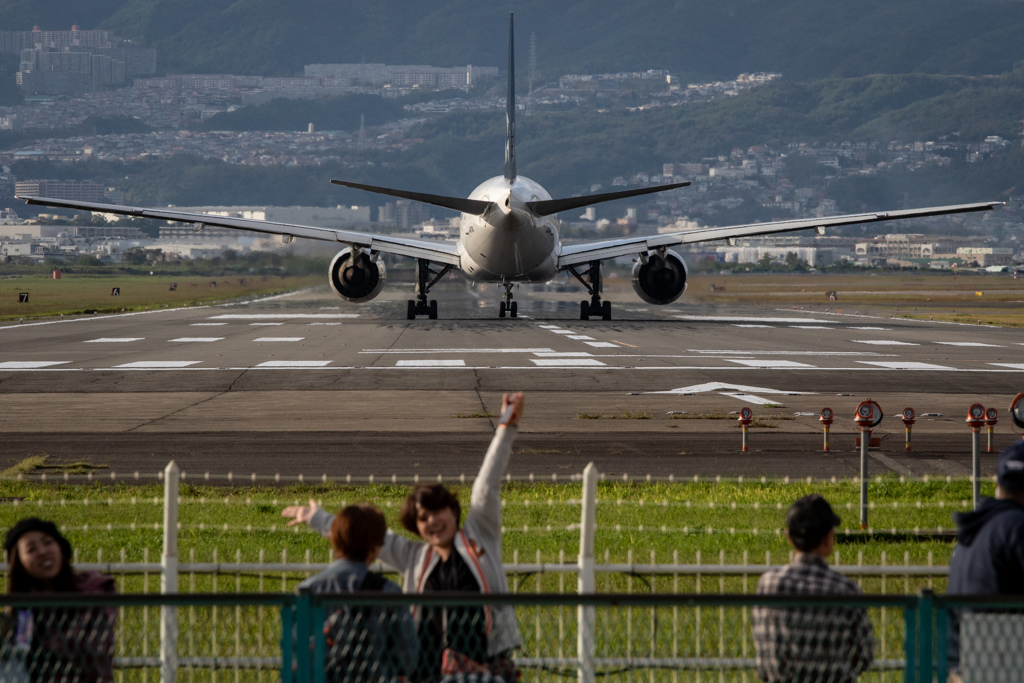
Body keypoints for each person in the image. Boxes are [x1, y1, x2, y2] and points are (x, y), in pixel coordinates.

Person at [284, 391, 525, 682]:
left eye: (438, 511)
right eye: (423, 518)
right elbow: (365, 534)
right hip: (427, 674)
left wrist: (505, 426)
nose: (433, 521)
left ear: (452, 508)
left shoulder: (479, 535)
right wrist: (317, 518)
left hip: (483, 669)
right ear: (416, 527)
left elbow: (486, 486)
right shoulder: (416, 557)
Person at [752, 494, 875, 683]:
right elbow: (865, 655)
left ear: (789, 537)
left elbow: (763, 650)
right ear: (828, 538)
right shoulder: (845, 590)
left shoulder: (767, 585)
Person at [297, 503, 417, 682]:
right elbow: (408, 656)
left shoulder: (308, 589)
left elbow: (296, 651)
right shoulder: (388, 592)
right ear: (377, 547)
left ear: (334, 539)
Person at [1, 518, 117, 683]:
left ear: (61, 548)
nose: (42, 551)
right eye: (31, 549)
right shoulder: (22, 610)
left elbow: (93, 647)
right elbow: (17, 654)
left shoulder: (96, 588)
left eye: (48, 542)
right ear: (19, 563)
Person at [946, 441, 1024, 680]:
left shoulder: (976, 526)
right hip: (1001, 662)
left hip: (963, 662)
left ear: (998, 482)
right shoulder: (1016, 526)